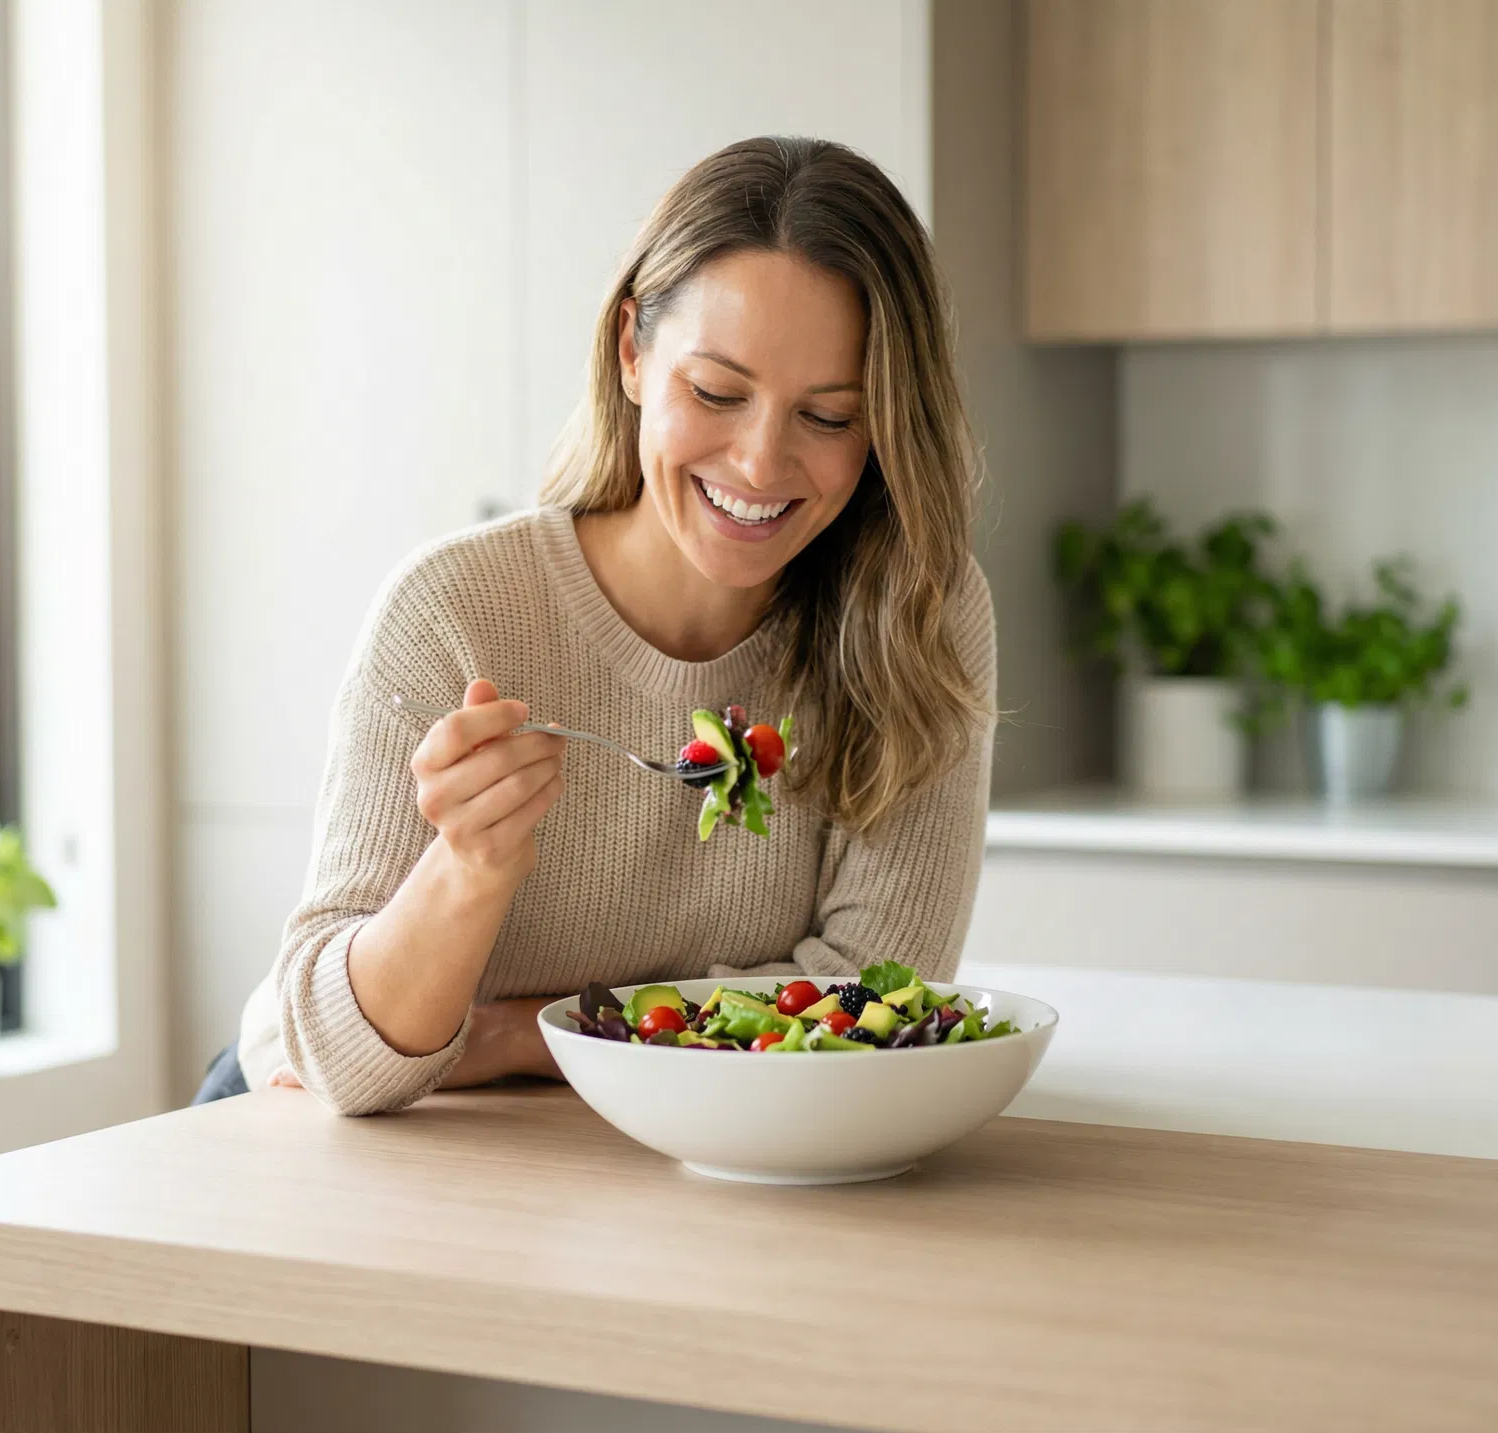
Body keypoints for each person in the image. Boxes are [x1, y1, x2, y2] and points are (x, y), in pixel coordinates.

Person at [200, 135, 995, 1113]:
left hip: (642, 1130)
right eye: (715, 393)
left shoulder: (918, 613)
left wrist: (517, 1032)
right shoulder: (454, 614)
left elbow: (873, 1006)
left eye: (827, 417)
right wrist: (470, 866)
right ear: (631, 353)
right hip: (345, 1126)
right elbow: (342, 1063)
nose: (758, 465)